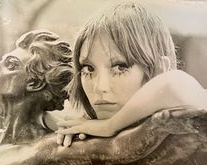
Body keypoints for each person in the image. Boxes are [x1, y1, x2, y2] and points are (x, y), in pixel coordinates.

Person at [56, 1, 207, 139]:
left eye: (120, 67)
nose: (100, 87)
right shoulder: (86, 123)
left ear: (160, 70)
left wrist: (109, 126)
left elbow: (173, 84)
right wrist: (66, 128)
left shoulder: (190, 100)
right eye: (89, 69)